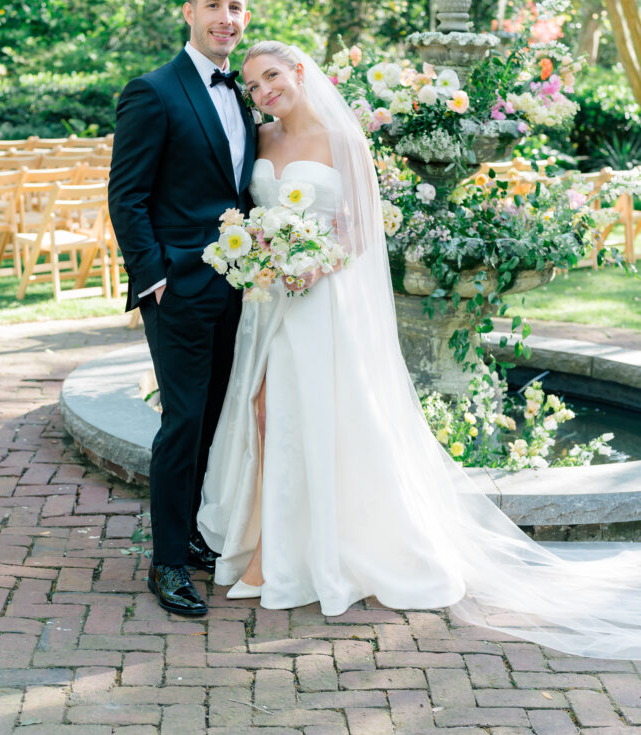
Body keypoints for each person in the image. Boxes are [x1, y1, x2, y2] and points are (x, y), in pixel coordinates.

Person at [197, 39, 641, 659]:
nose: (264, 91)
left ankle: (289, 553)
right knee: (263, 413)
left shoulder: (343, 140)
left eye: (272, 76)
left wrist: (305, 264)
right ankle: (271, 544)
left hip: (319, 301)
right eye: (254, 85)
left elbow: (356, 232)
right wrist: (262, 255)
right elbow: (252, 213)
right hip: (269, 304)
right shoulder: (262, 140)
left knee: (294, 414)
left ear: (299, 73)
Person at [108, 0, 256, 617]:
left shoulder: (246, 94)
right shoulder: (153, 91)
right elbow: (127, 195)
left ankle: (191, 532)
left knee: (214, 419)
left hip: (241, 287)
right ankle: (167, 562)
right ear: (189, 12)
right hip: (179, 288)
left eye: (237, 8)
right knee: (183, 420)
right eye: (216, 5)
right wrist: (154, 278)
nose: (228, 18)